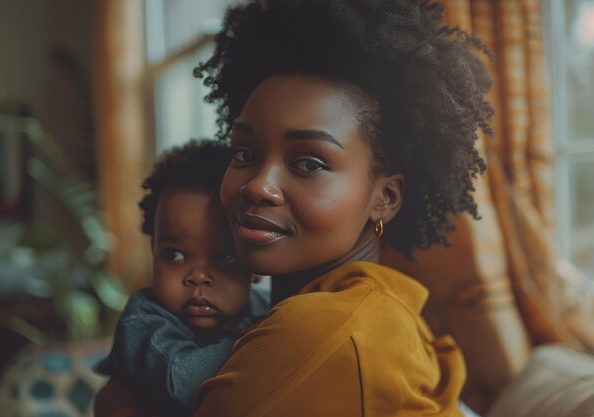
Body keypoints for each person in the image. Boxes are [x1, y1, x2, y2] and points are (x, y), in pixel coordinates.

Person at [95, 0, 493, 416]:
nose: (258, 187)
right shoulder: (374, 306)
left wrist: (119, 403)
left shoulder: (319, 333)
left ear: (385, 198)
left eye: (309, 163)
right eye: (245, 153)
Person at [95, 140, 270, 417]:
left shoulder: (267, 309)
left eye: (225, 258)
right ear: (153, 252)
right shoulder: (144, 320)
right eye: (175, 255)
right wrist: (264, 343)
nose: (197, 277)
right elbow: (184, 383)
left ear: (255, 262)